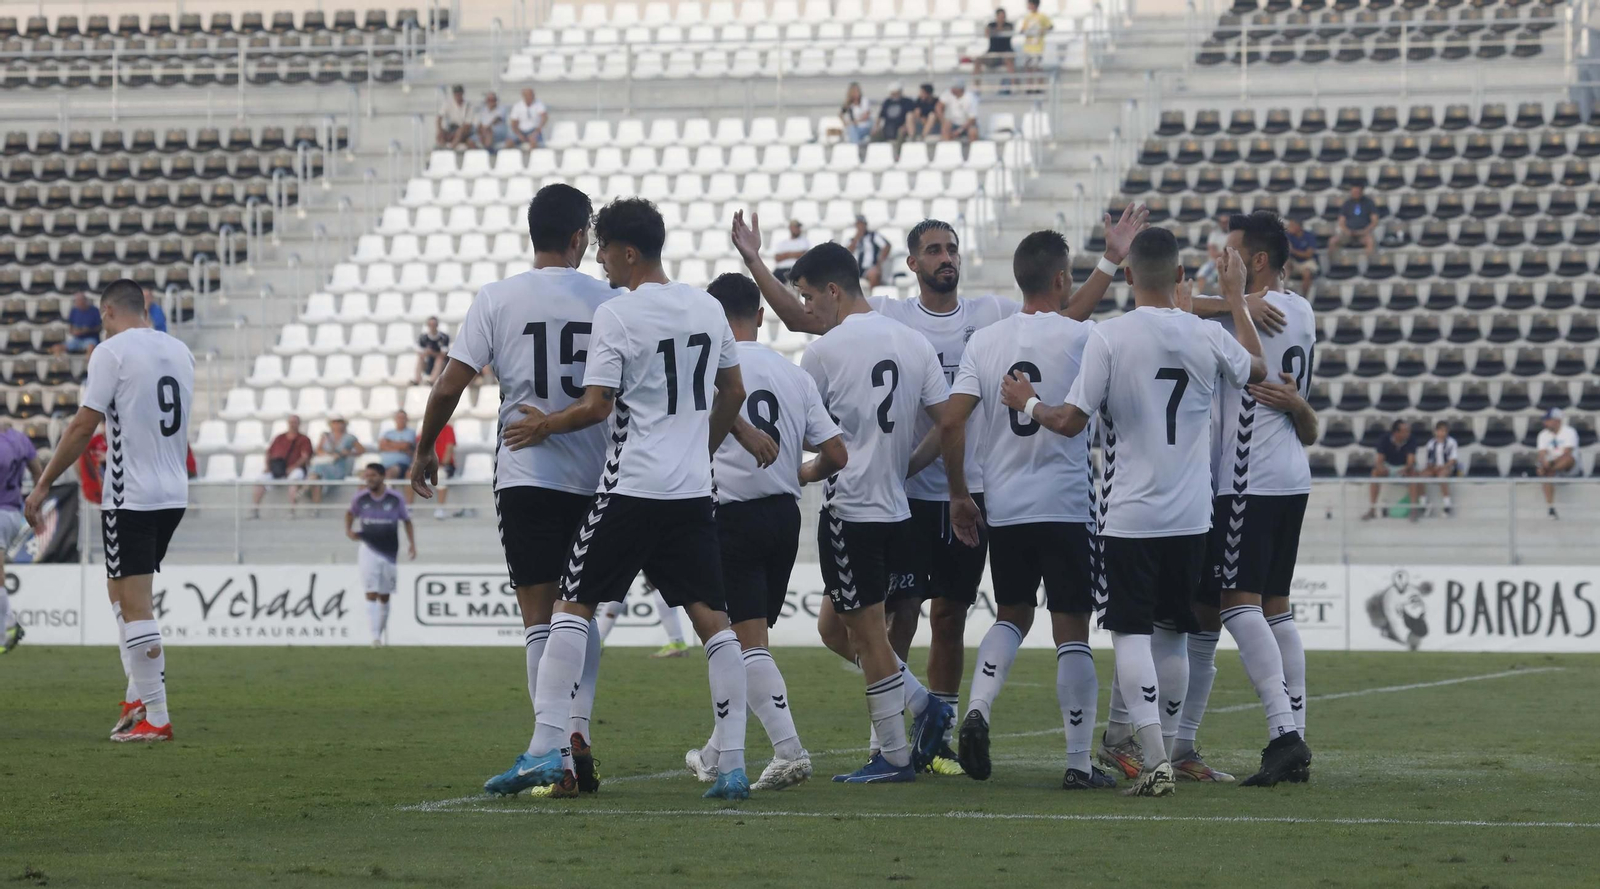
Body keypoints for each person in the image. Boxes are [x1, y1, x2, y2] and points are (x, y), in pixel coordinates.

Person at [739, 203, 1154, 775]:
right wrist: (757, 261)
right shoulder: (892, 317)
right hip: (907, 494)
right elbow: (802, 314)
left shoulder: (992, 316)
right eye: (934, 250)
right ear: (912, 262)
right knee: (881, 619)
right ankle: (908, 720)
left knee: (946, 618)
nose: (945, 258)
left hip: (964, 490)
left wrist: (1108, 259)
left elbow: (1064, 317)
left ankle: (929, 736)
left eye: (951, 249)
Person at [479, 197, 756, 801]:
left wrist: (543, 427)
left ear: (628, 252)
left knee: (569, 608)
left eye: (604, 249)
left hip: (629, 489)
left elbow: (599, 406)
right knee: (715, 623)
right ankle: (733, 764)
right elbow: (731, 390)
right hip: (689, 492)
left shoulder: (619, 314)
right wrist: (699, 448)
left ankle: (543, 752)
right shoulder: (706, 306)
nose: (598, 259)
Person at [999, 229, 1280, 797]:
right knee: (1174, 635)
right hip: (1192, 515)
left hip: (1130, 514)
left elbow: (1070, 421)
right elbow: (1257, 369)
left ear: (1129, 278)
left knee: (1129, 634)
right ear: (1181, 277)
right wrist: (1234, 298)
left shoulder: (1110, 337)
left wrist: (1024, 399)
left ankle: (1153, 758)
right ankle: (1166, 751)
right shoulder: (1205, 333)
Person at [413, 183, 627, 799]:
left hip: (527, 473)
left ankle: (553, 753)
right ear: (579, 238)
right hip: (597, 476)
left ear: (533, 234)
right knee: (577, 616)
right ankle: (575, 733)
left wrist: (426, 447)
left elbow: (450, 385)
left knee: (539, 619)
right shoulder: (608, 299)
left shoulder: (497, 298)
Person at [758, 240, 967, 783]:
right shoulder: (913, 342)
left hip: (852, 509)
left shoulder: (825, 353)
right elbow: (948, 422)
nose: (808, 311)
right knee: (837, 628)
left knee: (868, 638)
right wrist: (906, 466)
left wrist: (802, 471)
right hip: (899, 510)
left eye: (808, 298)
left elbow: (822, 444)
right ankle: (925, 703)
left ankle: (895, 755)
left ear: (833, 290)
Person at [940, 231, 1115, 790]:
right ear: (1062, 279)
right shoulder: (1086, 336)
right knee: (1072, 633)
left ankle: (979, 709)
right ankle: (1078, 764)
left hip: (1008, 506)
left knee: (1011, 616)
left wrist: (960, 494)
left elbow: (951, 421)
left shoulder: (985, 342)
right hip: (1065, 505)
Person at [684, 273, 848, 792]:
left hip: (729, 515)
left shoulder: (706, 368)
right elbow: (838, 454)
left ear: (713, 318)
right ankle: (714, 753)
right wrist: (800, 473)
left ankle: (789, 750)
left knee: (740, 642)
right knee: (745, 639)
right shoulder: (792, 373)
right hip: (783, 515)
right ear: (759, 315)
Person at [1172, 211, 1317, 788]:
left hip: (1246, 475)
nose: (1220, 262)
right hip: (1288, 474)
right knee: (1270, 608)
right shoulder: (1302, 310)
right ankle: (1289, 734)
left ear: (1257, 261)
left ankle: (1285, 735)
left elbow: (1243, 358)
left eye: (1230, 254)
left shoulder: (1255, 315)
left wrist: (1231, 302)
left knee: (1238, 605)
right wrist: (1233, 301)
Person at [25, 278, 195, 743]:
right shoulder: (181, 351)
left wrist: (42, 485)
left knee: (134, 605)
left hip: (130, 496)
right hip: (172, 493)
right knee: (120, 595)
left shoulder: (111, 352)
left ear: (106, 313)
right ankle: (137, 699)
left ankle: (156, 717)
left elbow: (83, 426)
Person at [346, 462, 415, 646]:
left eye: (373, 475)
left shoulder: (395, 498)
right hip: (368, 548)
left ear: (382, 477)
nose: (369, 479)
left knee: (385, 594)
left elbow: (407, 521)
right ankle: (374, 636)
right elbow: (349, 513)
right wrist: (349, 531)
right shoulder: (360, 498)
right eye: (366, 475)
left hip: (389, 552)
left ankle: (380, 634)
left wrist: (412, 544)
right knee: (370, 591)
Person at [0, 422, 43, 652]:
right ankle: (8, 625)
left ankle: (7, 628)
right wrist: (38, 507)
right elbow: (38, 472)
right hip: (12, 512)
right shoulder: (20, 439)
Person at [251, 414, 312, 517]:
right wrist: (268, 467)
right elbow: (269, 453)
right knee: (260, 480)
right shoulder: (279, 438)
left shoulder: (304, 439)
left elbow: (305, 456)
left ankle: (292, 511)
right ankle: (255, 510)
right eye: (291, 422)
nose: (292, 425)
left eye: (295, 423)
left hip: (295, 469)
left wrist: (294, 467)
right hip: (278, 469)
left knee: (294, 481)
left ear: (299, 424)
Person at [1363, 419, 1415, 520]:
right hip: (1388, 466)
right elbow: (1379, 460)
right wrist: (1380, 468)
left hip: (1403, 466)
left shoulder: (1411, 439)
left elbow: (1410, 461)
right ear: (1396, 432)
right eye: (1405, 431)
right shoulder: (1384, 439)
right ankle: (1372, 509)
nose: (1408, 433)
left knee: (1414, 474)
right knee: (1375, 472)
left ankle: (1413, 510)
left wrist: (1406, 469)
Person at [1535, 407, 1579, 519]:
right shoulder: (1543, 434)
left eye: (1548, 420)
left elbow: (1567, 453)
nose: (1545, 423)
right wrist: (1541, 465)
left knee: (1568, 458)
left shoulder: (1569, 432)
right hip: (1552, 466)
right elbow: (1541, 454)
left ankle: (1550, 470)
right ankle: (1550, 507)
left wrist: (1549, 464)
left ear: (1557, 420)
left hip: (1568, 467)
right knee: (1545, 472)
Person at [309, 416, 364, 504]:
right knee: (317, 475)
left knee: (317, 472)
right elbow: (318, 450)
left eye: (339, 422)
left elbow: (361, 450)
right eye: (335, 422)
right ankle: (315, 505)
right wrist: (328, 455)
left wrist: (348, 453)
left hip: (340, 466)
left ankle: (305, 488)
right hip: (326, 463)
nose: (337, 425)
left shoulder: (349, 437)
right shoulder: (325, 436)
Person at [1412, 421, 1458, 519]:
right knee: (1420, 476)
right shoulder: (1431, 443)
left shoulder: (1452, 442)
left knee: (1442, 476)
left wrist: (1443, 466)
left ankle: (1447, 504)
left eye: (1444, 431)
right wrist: (1432, 467)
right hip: (1434, 468)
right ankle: (1424, 503)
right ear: (1435, 431)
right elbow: (1429, 460)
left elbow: (1453, 460)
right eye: (1440, 431)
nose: (1442, 433)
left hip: (1447, 467)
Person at [1329, 184, 1378, 258]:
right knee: (1333, 241)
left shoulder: (1369, 203)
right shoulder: (1347, 204)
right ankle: (1333, 265)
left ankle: (1369, 266)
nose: (1355, 193)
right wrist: (1346, 231)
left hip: (1364, 233)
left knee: (1371, 241)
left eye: (1357, 192)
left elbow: (1374, 221)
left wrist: (1365, 231)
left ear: (1362, 192)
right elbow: (1341, 221)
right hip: (1348, 233)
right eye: (1354, 192)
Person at [1017, 0, 1054, 91]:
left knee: (1038, 67)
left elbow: (1050, 26)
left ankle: (1039, 86)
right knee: (1028, 67)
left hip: (1038, 46)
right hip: (1028, 46)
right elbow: (1023, 29)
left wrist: (1043, 30)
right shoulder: (1027, 17)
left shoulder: (1042, 16)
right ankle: (1029, 86)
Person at [378, 410, 418, 492]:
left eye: (403, 418)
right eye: (399, 418)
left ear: (407, 419)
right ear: (395, 419)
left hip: (401, 465)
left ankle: (389, 497)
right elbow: (381, 446)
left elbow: (406, 445)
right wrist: (399, 449)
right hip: (384, 464)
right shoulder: (388, 432)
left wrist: (389, 443)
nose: (401, 420)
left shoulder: (411, 432)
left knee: (389, 473)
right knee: (366, 474)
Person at [976, 7, 1016, 87]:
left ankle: (1013, 85)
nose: (1002, 18)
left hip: (1005, 53)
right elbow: (987, 33)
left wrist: (995, 30)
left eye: (1003, 16)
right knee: (978, 60)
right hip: (993, 54)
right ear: (996, 16)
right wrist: (996, 30)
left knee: (1009, 60)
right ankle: (977, 86)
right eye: (1000, 16)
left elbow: (1007, 31)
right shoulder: (991, 25)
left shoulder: (1009, 25)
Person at [848, 215, 892, 289]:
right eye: (858, 224)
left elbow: (887, 246)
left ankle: (873, 297)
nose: (860, 226)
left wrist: (879, 263)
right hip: (855, 269)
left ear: (865, 225)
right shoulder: (852, 240)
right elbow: (847, 252)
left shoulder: (873, 236)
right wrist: (856, 238)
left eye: (862, 224)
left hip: (869, 268)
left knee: (874, 274)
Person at [1285, 217, 1318, 296]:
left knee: (1307, 273)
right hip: (1294, 261)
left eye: (1292, 225)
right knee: (1286, 265)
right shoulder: (1287, 235)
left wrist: (1293, 251)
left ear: (1298, 226)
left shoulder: (1309, 236)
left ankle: (1304, 297)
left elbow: (1308, 254)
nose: (1289, 227)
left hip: (1307, 262)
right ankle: (1281, 291)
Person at [413, 316, 451, 385]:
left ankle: (432, 381)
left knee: (439, 359)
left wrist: (432, 353)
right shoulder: (423, 338)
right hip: (428, 364)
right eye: (430, 325)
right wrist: (426, 353)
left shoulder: (443, 337)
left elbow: (444, 354)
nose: (432, 327)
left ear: (437, 325)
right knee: (420, 358)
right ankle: (417, 380)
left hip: (441, 366)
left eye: (434, 325)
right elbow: (419, 352)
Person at [1196, 213, 1230, 290]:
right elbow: (1212, 253)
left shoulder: (1232, 235)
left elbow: (1232, 252)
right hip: (1214, 262)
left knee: (1219, 279)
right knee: (1201, 275)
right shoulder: (1214, 234)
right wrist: (1224, 253)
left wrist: (1221, 254)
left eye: (1226, 222)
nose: (1224, 224)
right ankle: (1201, 297)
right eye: (1222, 222)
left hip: (1228, 262)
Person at [771, 220, 811, 284]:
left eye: (798, 227)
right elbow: (777, 258)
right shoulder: (783, 243)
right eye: (796, 227)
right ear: (791, 228)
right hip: (781, 269)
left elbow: (804, 255)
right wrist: (794, 254)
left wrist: (786, 255)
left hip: (795, 268)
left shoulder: (804, 241)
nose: (798, 229)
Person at [436, 84, 474, 149]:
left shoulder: (468, 106)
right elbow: (439, 117)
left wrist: (456, 133)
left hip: (464, 130)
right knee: (440, 135)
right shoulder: (448, 103)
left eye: (459, 93)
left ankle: (451, 148)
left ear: (462, 94)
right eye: (456, 93)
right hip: (451, 128)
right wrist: (440, 130)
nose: (458, 95)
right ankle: (441, 150)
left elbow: (467, 125)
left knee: (460, 131)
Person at [77, 424, 108, 505]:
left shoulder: (120, 439)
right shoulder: (98, 439)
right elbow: (85, 450)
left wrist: (107, 457)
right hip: (101, 470)